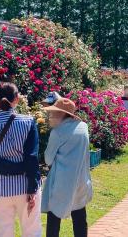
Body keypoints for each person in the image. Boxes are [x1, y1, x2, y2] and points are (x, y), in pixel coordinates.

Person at [0, 82, 41, 237]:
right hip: (26, 187)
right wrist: (32, 185)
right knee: (31, 231)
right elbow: (31, 158)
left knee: (2, 233)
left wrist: (13, 169)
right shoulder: (28, 122)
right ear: (17, 98)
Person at [42, 98, 93, 237]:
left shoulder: (58, 132)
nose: (51, 115)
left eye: (55, 112)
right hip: (81, 179)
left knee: (54, 217)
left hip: (61, 182)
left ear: (63, 114)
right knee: (79, 216)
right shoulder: (83, 127)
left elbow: (48, 159)